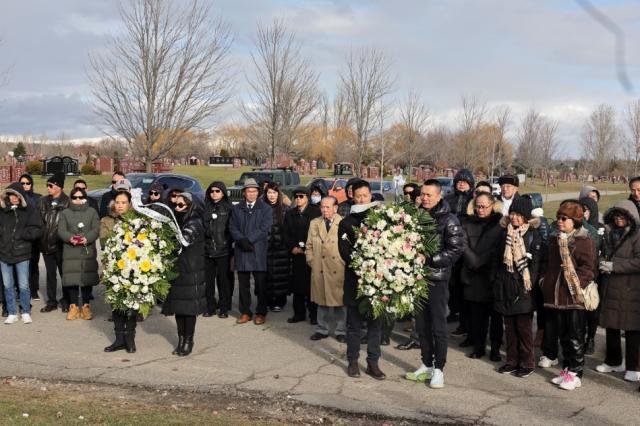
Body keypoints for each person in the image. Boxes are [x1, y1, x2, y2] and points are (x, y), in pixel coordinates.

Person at [405, 179, 464, 389]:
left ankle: (439, 369)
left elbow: (456, 250)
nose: (425, 198)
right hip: (416, 278)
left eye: (430, 194)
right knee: (421, 325)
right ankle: (426, 363)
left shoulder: (449, 219)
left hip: (437, 279)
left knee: (438, 325)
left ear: (440, 196)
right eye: (423, 194)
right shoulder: (416, 216)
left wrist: (430, 259)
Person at [542, 200, 597, 391]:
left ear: (575, 221)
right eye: (558, 217)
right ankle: (566, 370)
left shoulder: (584, 241)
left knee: (575, 336)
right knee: (563, 336)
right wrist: (544, 281)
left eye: (564, 218)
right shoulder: (554, 238)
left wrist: (575, 284)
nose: (560, 221)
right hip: (555, 295)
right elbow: (547, 264)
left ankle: (576, 373)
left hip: (573, 296)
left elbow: (588, 269)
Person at [338, 180, 385, 379]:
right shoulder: (346, 222)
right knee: (354, 325)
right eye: (358, 196)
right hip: (355, 280)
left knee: (375, 324)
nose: (362, 199)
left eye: (365, 195)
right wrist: (362, 266)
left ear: (370, 196)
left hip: (378, 280)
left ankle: (373, 362)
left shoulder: (381, 220)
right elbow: (344, 251)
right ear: (352, 197)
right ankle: (353, 361)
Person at [494, 197, 542, 379]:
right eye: (512, 213)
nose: (514, 218)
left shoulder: (533, 235)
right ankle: (512, 360)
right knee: (510, 328)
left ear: (526, 217)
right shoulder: (503, 233)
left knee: (523, 328)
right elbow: (496, 259)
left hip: (524, 287)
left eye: (519, 215)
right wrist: (497, 281)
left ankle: (527, 362)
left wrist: (528, 286)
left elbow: (536, 264)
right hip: (505, 286)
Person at [596, 200, 640, 382]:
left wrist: (615, 266)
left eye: (623, 215)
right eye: (616, 215)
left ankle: (634, 366)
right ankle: (614, 361)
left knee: (632, 329)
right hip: (610, 286)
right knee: (612, 326)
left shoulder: (638, 235)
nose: (619, 218)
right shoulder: (609, 233)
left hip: (631, 288)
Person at [162, 192, 207, 356]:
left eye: (181, 205)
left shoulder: (195, 222)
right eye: (176, 204)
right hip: (177, 270)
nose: (177, 207)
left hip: (191, 270)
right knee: (178, 308)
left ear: (190, 206)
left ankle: (189, 340)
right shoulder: (176, 220)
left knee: (188, 309)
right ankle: (181, 339)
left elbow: (184, 240)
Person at [460, 192, 503, 361]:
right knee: (477, 317)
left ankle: (495, 349)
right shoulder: (467, 223)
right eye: (478, 206)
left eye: (484, 206)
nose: (480, 210)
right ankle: (478, 347)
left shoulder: (500, 224)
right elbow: (463, 245)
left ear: (492, 206)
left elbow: (498, 249)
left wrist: (481, 261)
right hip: (473, 275)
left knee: (496, 318)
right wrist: (474, 262)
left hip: (492, 275)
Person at [229, 178, 272, 325]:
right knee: (243, 285)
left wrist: (249, 240)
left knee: (260, 285)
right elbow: (232, 227)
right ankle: (245, 312)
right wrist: (241, 240)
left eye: (254, 191)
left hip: (258, 250)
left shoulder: (266, 208)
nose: (252, 193)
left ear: (258, 193)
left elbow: (265, 227)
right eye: (249, 191)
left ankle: (261, 312)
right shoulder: (236, 208)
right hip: (242, 250)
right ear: (244, 193)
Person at [0, 182, 43, 324]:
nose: (13, 198)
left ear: (20, 196)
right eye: (11, 195)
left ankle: (25, 311)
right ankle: (12, 312)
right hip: (4, 252)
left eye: (16, 195)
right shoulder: (2, 210)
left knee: (24, 284)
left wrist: (22, 235)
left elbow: (37, 228)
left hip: (22, 252)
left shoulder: (29, 209)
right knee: (7, 285)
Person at [102, 192, 138, 353]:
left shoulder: (138, 221)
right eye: (117, 202)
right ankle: (119, 339)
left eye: (124, 202)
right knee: (116, 305)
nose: (120, 205)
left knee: (131, 305)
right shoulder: (108, 220)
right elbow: (104, 242)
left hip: (133, 270)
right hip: (114, 268)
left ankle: (130, 339)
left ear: (129, 204)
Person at [306, 196, 346, 342]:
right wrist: (311, 260)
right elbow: (309, 245)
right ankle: (321, 329)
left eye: (327, 207)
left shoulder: (343, 223)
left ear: (335, 208)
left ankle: (341, 331)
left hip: (338, 269)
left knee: (340, 303)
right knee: (321, 301)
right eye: (322, 206)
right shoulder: (314, 223)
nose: (324, 209)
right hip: (319, 268)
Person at [57, 187, 100, 321]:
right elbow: (61, 230)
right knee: (72, 279)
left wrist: (87, 238)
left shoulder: (92, 212)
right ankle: (73, 306)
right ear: (71, 199)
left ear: (85, 198)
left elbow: (96, 229)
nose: (78, 200)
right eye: (75, 197)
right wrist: (70, 238)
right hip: (71, 250)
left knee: (86, 279)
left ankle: (86, 307)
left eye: (80, 197)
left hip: (87, 249)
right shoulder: (65, 213)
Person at [444, 169, 475, 336]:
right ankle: (451, 312)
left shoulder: (473, 201)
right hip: (450, 243)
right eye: (459, 181)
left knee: (465, 288)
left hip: (467, 245)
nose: (462, 184)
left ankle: (465, 323)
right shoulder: (448, 199)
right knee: (451, 285)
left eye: (465, 181)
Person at [284, 186, 321, 324]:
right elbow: (286, 233)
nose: (298, 199)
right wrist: (292, 247)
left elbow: (317, 233)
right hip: (296, 255)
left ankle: (314, 315)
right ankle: (298, 314)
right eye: (296, 197)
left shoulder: (315, 212)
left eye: (301, 196)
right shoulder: (290, 213)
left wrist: (307, 248)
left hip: (311, 254)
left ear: (307, 197)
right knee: (297, 286)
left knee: (311, 286)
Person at [38, 172, 70, 313]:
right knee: (50, 275)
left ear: (58, 187)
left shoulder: (67, 202)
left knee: (64, 274)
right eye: (47, 185)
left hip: (61, 245)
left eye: (50, 185)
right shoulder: (43, 201)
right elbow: (38, 220)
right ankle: (51, 301)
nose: (48, 188)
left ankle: (67, 300)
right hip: (46, 244)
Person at [203, 181, 233, 318]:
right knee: (208, 281)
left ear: (223, 192)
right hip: (208, 250)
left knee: (223, 281)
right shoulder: (206, 207)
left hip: (223, 250)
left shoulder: (228, 208)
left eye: (217, 191)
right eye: (212, 191)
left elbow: (232, 228)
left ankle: (224, 307)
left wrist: (229, 243)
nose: (214, 194)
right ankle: (210, 306)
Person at [579, 196, 605, 355]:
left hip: (595, 275)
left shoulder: (599, 229)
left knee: (592, 310)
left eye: (586, 210)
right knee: (580, 309)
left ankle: (591, 338)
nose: (582, 213)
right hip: (580, 275)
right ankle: (580, 337)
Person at [262, 182, 290, 312]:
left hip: (281, 248)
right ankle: (268, 299)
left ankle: (280, 301)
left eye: (274, 193)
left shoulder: (284, 209)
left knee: (280, 275)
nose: (271, 196)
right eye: (269, 193)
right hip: (266, 247)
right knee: (267, 275)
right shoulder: (261, 208)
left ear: (278, 194)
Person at [19, 173, 42, 300]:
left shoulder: (38, 198)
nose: (25, 186)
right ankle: (21, 290)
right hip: (19, 237)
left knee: (33, 264)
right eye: (22, 183)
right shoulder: (15, 198)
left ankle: (33, 290)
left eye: (28, 183)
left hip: (34, 238)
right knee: (19, 264)